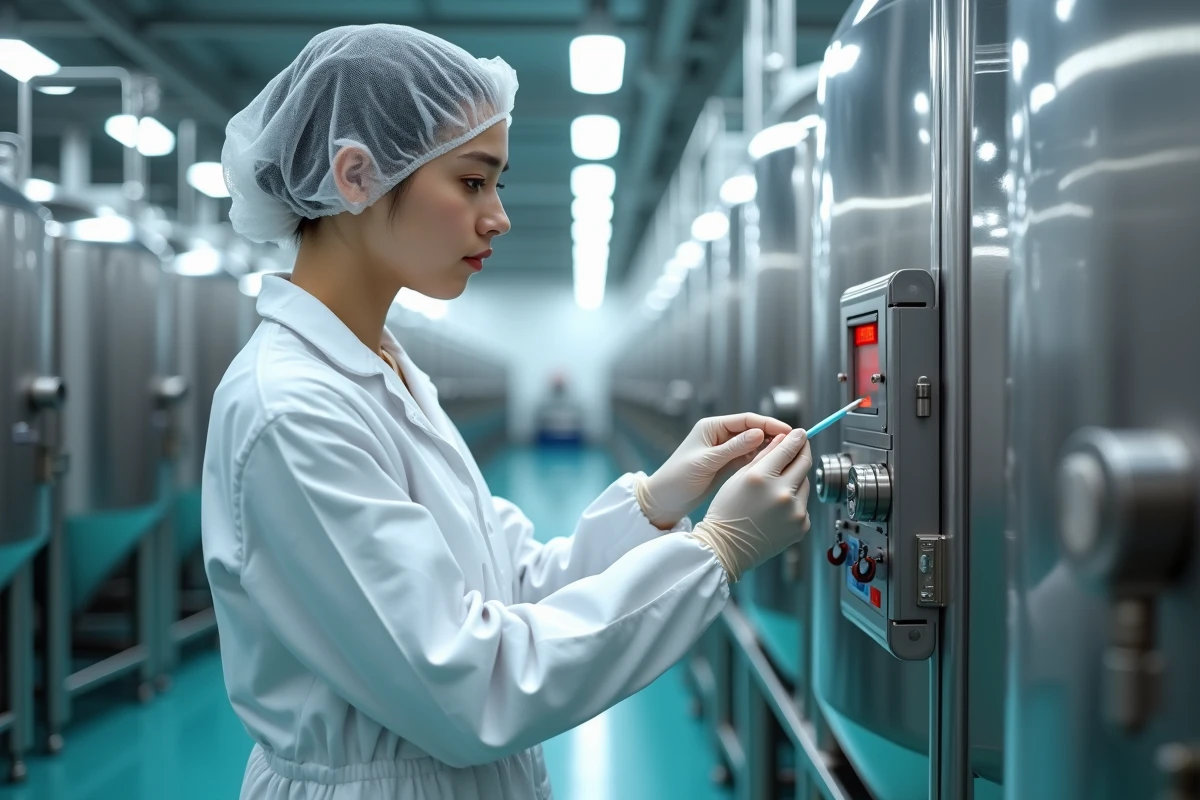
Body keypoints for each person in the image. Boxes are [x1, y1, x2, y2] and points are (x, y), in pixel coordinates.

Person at [203, 24, 814, 800]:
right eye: (471, 181)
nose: (498, 216)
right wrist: (715, 552)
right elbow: (468, 685)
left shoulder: (385, 371)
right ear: (356, 175)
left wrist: (657, 501)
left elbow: (508, 582)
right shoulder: (292, 409)